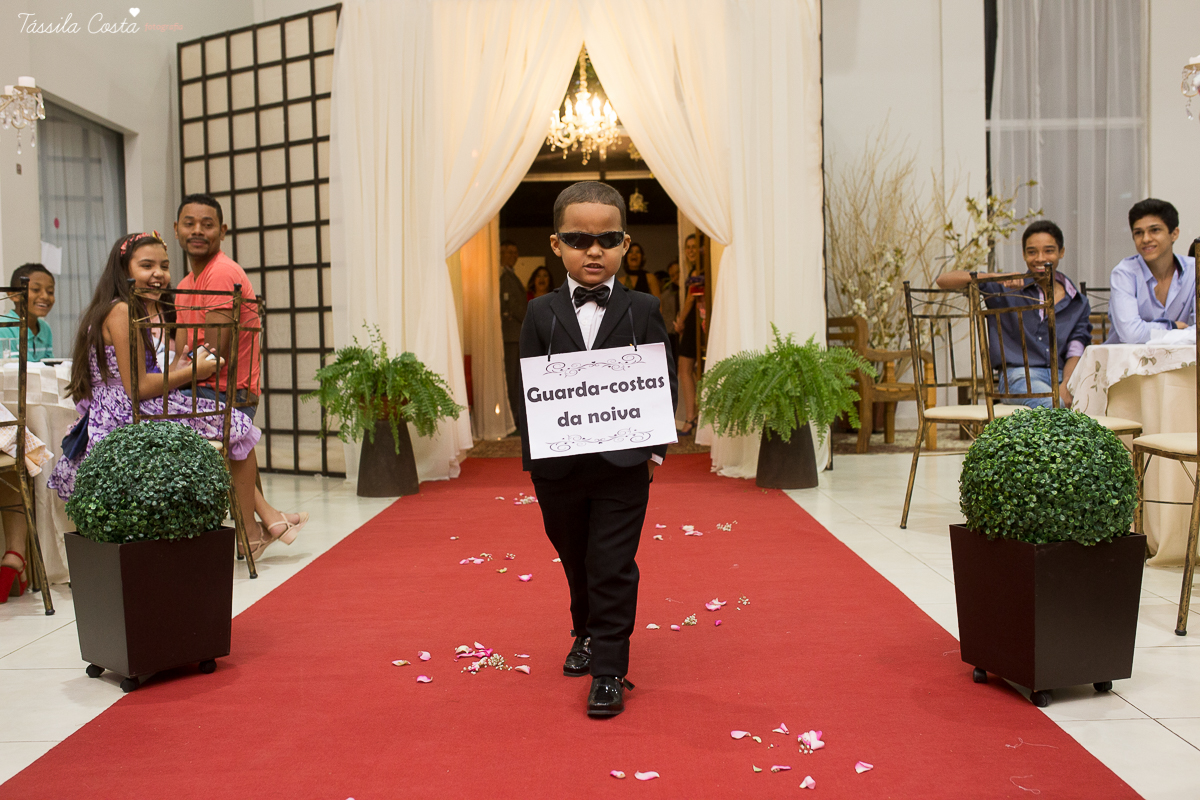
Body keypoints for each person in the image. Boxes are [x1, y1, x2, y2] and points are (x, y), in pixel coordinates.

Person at [519, 181, 677, 718]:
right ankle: (584, 631)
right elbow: (526, 390)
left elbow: (663, 379)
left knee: (611, 562)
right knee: (576, 559)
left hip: (623, 466)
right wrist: (535, 461)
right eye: (578, 239)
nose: (593, 250)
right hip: (557, 469)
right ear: (556, 244)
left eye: (607, 238)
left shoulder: (644, 308)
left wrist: (654, 453)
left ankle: (609, 668)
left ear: (625, 243)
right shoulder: (540, 312)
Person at [46, 232, 305, 557]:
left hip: (119, 411)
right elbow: (137, 387)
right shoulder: (123, 311)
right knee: (237, 427)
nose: (159, 273)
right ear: (123, 269)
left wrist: (180, 365)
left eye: (164, 266)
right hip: (129, 418)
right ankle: (252, 531)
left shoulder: (116, 309)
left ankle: (261, 523)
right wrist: (194, 371)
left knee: (233, 428)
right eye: (147, 265)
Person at [171, 195, 307, 543]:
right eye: (189, 223)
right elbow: (183, 352)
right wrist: (174, 373)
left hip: (226, 391)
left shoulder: (221, 272)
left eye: (207, 224)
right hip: (201, 388)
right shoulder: (185, 285)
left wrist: (169, 378)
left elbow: (212, 356)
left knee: (147, 413)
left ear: (223, 230)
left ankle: (256, 525)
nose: (198, 231)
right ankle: (267, 518)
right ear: (176, 229)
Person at [936, 219, 1091, 408]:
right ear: (1024, 255)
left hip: (1063, 375)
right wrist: (994, 277)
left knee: (1095, 403)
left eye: (1048, 251)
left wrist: (1067, 384)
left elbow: (1076, 350)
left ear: (1061, 252)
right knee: (1052, 404)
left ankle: (1023, 437)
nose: (1040, 258)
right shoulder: (1006, 287)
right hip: (1018, 377)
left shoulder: (1077, 302)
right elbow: (944, 280)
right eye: (1032, 252)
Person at [1106, 198, 1196, 343]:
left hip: (1180, 363)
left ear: (1174, 233)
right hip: (1127, 363)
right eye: (1138, 233)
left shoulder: (1195, 270)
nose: (1146, 239)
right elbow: (1131, 335)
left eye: (1155, 230)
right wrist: (1172, 327)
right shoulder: (1124, 273)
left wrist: (1157, 332)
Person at [674, 234, 704, 434]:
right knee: (691, 370)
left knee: (684, 368)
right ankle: (695, 417)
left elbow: (691, 300)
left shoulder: (698, 271)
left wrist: (680, 321)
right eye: (688, 247)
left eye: (695, 247)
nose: (691, 250)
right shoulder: (696, 270)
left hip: (695, 324)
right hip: (696, 324)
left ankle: (691, 419)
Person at [499, 240, 527, 434]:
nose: (512, 255)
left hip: (515, 334)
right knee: (511, 377)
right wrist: (529, 317)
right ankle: (512, 419)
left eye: (514, 251)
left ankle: (516, 418)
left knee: (517, 378)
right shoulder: (504, 277)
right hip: (511, 334)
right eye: (507, 251)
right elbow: (511, 305)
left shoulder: (511, 274)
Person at [0, 263, 56, 361]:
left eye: (50, 292)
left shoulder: (45, 328)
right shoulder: (3, 328)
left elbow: (49, 365)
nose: (45, 296)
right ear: (14, 295)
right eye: (36, 290)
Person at [658, 259, 680, 362]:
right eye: (672, 275)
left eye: (678, 272)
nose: (676, 277)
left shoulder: (686, 290)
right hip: (671, 334)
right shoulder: (666, 295)